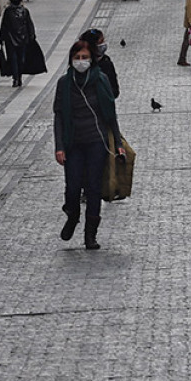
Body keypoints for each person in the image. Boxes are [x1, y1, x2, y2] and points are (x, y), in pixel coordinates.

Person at [53, 39, 124, 250]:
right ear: (71, 60)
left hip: (96, 141)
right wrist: (59, 146)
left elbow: (110, 115)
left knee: (93, 188)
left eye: (85, 57)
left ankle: (90, 235)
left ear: (91, 59)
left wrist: (118, 143)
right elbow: (59, 116)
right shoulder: (64, 84)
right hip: (73, 142)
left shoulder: (101, 80)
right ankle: (72, 215)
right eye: (77, 58)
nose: (81, 61)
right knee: (73, 187)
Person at [0, 0, 35, 87]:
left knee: (21, 59)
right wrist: (1, 38)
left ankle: (19, 76)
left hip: (23, 38)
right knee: (13, 59)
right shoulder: (8, 11)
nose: (17, 0)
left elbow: (29, 23)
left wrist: (31, 35)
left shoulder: (25, 11)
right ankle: (15, 78)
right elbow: (4, 25)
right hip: (10, 39)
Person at [78, 28, 119, 98]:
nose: (104, 44)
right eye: (101, 42)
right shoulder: (82, 64)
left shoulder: (106, 61)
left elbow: (114, 90)